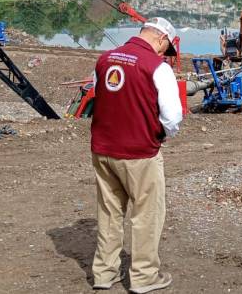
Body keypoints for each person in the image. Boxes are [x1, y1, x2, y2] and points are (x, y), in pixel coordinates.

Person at [90, 17, 183, 293]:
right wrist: (162, 135)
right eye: (165, 49)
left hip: (103, 150)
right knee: (147, 214)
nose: (163, 54)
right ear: (161, 39)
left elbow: (98, 96)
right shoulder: (157, 67)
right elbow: (173, 116)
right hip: (139, 153)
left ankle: (104, 274)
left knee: (108, 213)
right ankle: (144, 277)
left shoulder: (105, 59)